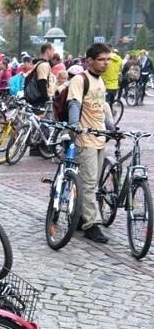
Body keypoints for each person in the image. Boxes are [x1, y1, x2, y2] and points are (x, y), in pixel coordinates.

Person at [68, 42, 115, 244]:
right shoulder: (80, 80)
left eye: (108, 60)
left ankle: (79, 216)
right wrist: (74, 125)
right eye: (102, 59)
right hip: (85, 139)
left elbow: (98, 110)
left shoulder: (100, 82)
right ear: (90, 61)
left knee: (92, 183)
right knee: (88, 184)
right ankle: (91, 226)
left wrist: (112, 128)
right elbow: (74, 103)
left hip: (99, 138)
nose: (106, 63)